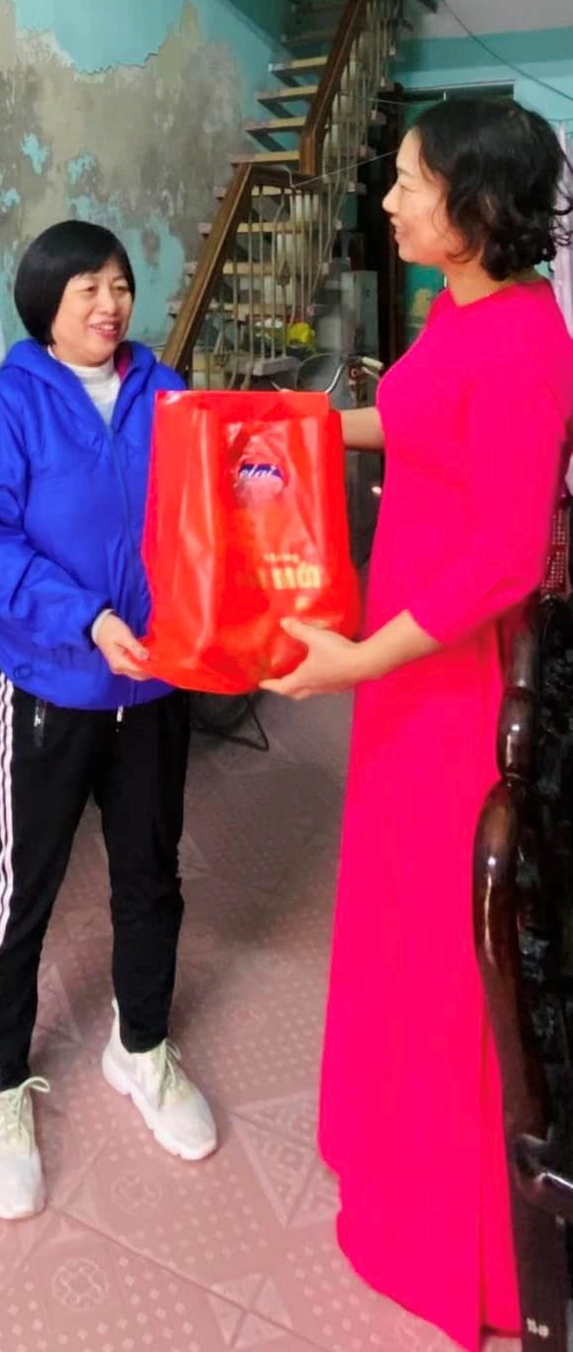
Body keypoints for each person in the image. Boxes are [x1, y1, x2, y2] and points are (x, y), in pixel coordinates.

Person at [261, 98, 573, 1350]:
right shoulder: (459, 309)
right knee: (394, 915)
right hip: (405, 668)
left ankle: (458, 1244)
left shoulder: (529, 345)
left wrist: (353, 661)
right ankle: (385, 1149)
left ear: (475, 208)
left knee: (448, 951)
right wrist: (294, 424)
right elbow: (415, 418)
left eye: (406, 182)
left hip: (449, 684)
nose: (386, 200)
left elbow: (500, 559)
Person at [0, 220, 218, 1222]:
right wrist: (86, 618)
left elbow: (212, 515)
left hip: (153, 687)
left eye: (118, 284)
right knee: (22, 892)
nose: (110, 305)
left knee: (150, 876)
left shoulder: (166, 390)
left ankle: (139, 1046)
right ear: (44, 308)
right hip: (52, 684)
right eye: (86, 291)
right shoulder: (8, 405)